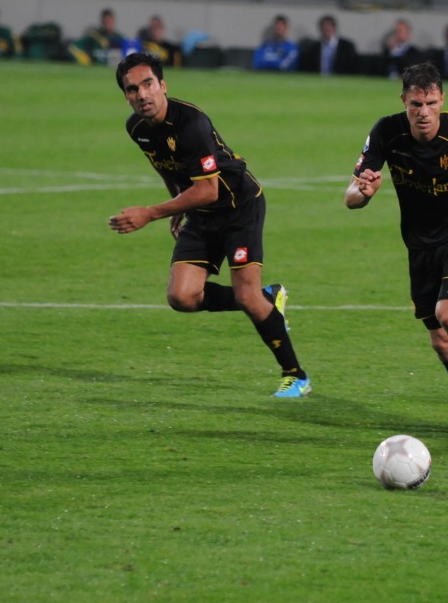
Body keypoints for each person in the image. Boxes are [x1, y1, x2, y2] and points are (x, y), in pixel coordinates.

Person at [109, 52, 311, 398]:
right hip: (202, 213)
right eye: (132, 89)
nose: (141, 95)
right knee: (182, 296)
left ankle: (296, 375)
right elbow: (166, 165)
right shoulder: (137, 128)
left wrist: (151, 212)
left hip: (238, 207)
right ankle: (268, 299)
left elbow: (208, 189)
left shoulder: (191, 122)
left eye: (147, 84)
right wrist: (175, 203)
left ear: (163, 85)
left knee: (246, 294)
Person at [345, 61, 448, 435]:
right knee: (441, 341)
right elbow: (351, 197)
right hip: (419, 249)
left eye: (431, 104)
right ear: (404, 101)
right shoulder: (386, 132)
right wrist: (362, 191)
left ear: (442, 100)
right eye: (416, 105)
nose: (424, 113)